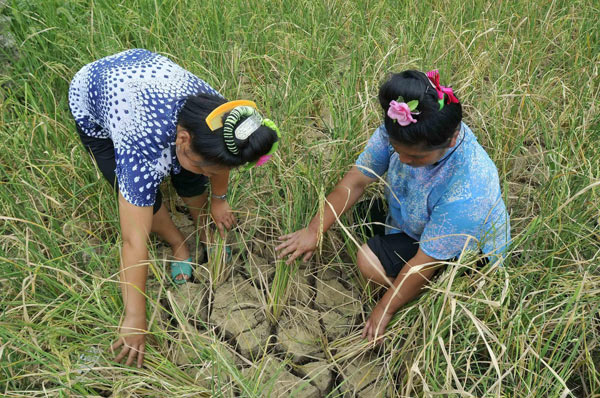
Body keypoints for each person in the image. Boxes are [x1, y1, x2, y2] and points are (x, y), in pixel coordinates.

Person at [68, 49, 280, 367]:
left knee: (191, 177)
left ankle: (204, 228)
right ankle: (178, 242)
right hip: (95, 95)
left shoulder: (223, 117)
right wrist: (134, 317)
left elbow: (221, 161)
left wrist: (219, 200)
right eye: (208, 168)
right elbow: (133, 240)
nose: (214, 175)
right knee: (142, 195)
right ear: (182, 138)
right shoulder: (139, 142)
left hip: (143, 71)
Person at [276, 69, 510, 342]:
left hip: (463, 254)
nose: (402, 158)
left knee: (368, 261)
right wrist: (314, 230)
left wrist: (384, 310)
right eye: (397, 150)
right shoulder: (401, 130)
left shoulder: (469, 187)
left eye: (414, 156)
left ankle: (425, 301)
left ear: (453, 138)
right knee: (358, 216)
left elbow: (424, 263)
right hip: (413, 218)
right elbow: (355, 182)